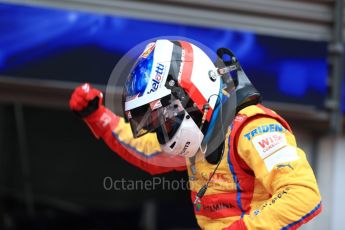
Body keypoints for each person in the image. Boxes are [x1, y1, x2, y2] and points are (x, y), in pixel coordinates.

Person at [69, 39, 322, 229]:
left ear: (191, 95)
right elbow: (147, 151)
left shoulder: (252, 127)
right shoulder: (197, 137)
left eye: (163, 115)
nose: (162, 126)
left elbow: (302, 194)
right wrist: (98, 116)